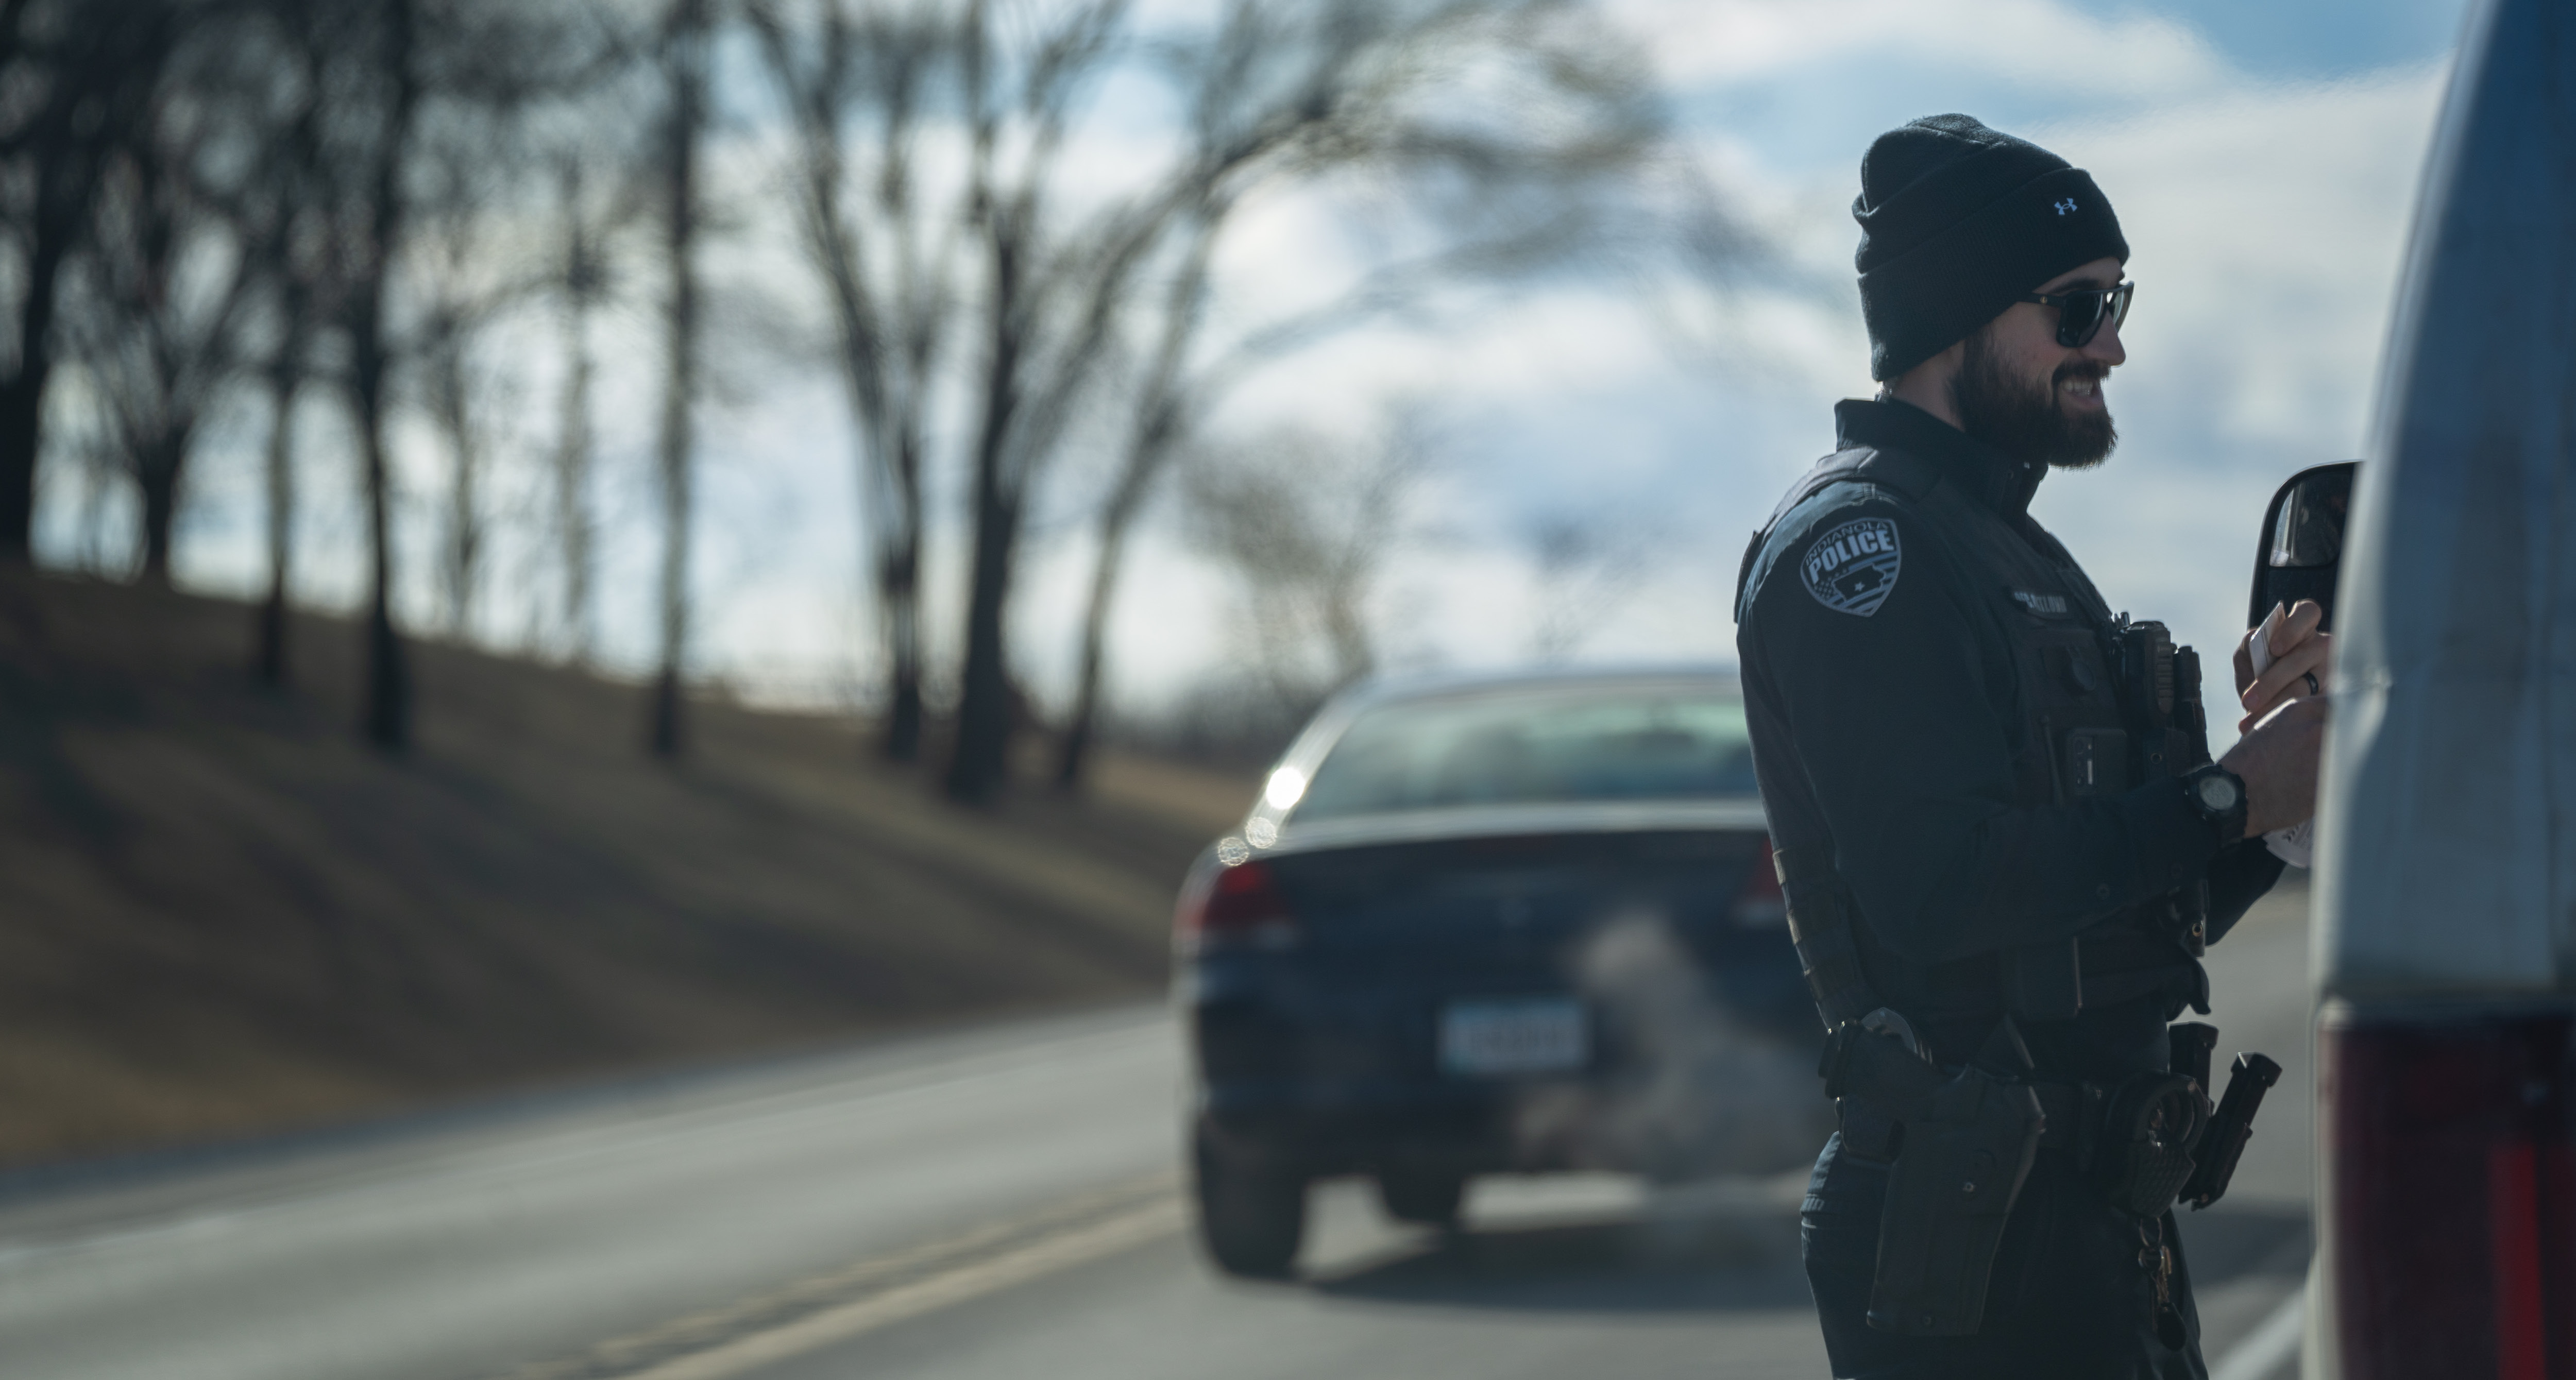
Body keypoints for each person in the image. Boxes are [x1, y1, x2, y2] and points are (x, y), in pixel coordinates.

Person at [1733, 114, 2330, 1378]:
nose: (2111, 339)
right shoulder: (1867, 556)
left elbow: (2103, 929)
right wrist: (2224, 796)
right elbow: (1941, 887)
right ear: (1958, 313)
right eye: (2074, 307)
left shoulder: (2007, 548)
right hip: (1969, 1236)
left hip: (2081, 1214)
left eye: (2115, 299)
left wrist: (2277, 792)